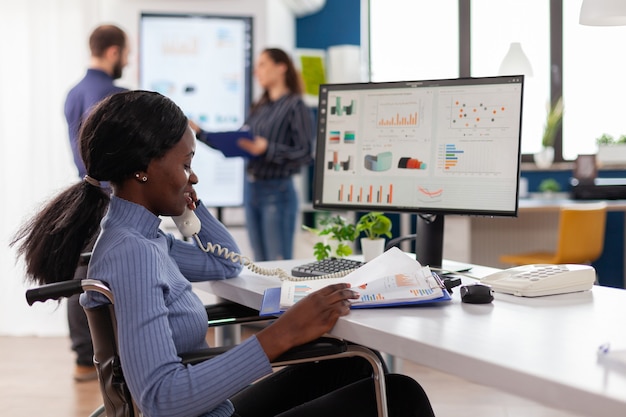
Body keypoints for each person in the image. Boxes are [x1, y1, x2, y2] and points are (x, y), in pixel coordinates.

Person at [12, 90, 435, 417]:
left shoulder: (139, 236)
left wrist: (189, 209)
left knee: (355, 366)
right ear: (143, 169)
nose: (193, 175)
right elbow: (161, 400)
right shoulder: (132, 253)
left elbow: (224, 262)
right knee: (400, 394)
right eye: (185, 164)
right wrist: (284, 333)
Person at [192, 48, 314, 262]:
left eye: (262, 64)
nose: (257, 72)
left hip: (278, 191)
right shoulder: (260, 107)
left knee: (277, 262)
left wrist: (268, 149)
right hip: (253, 190)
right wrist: (202, 134)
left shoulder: (296, 106)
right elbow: (240, 139)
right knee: (260, 261)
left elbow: (305, 154)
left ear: (281, 67)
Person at [63, 23, 130, 382]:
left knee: (84, 274)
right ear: (114, 51)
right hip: (108, 197)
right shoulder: (112, 94)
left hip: (84, 194)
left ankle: (83, 357)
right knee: (95, 277)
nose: (128, 60)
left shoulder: (74, 92)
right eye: (127, 53)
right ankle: (96, 358)